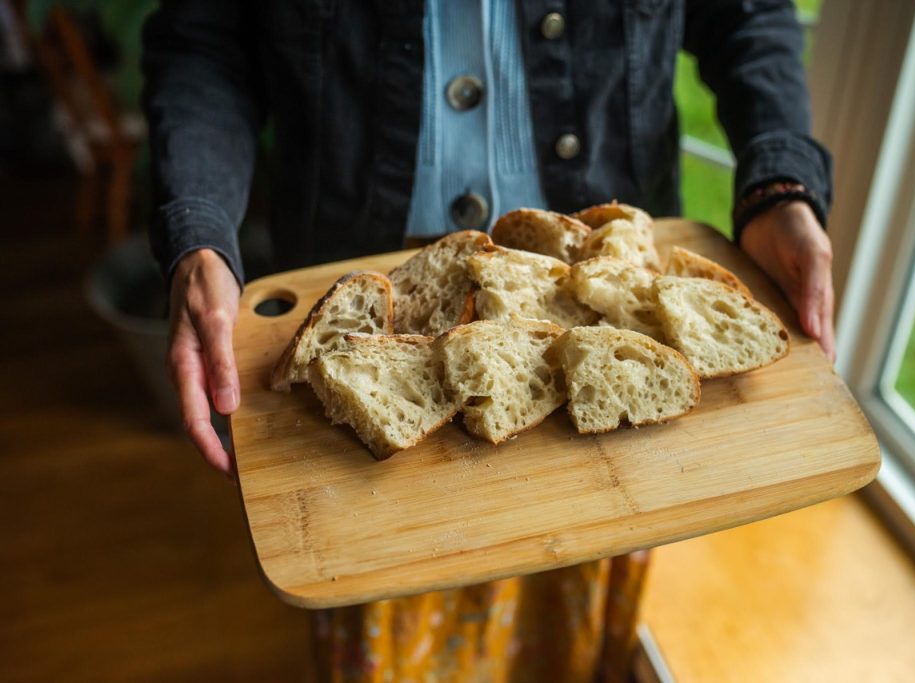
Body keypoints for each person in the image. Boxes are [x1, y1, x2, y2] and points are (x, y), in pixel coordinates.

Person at [143, 1, 835, 678]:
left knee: (574, 602)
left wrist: (781, 183)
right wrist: (198, 230)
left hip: (597, 287)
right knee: (383, 609)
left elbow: (747, 15)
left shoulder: (625, 352)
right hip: (374, 285)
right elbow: (205, 36)